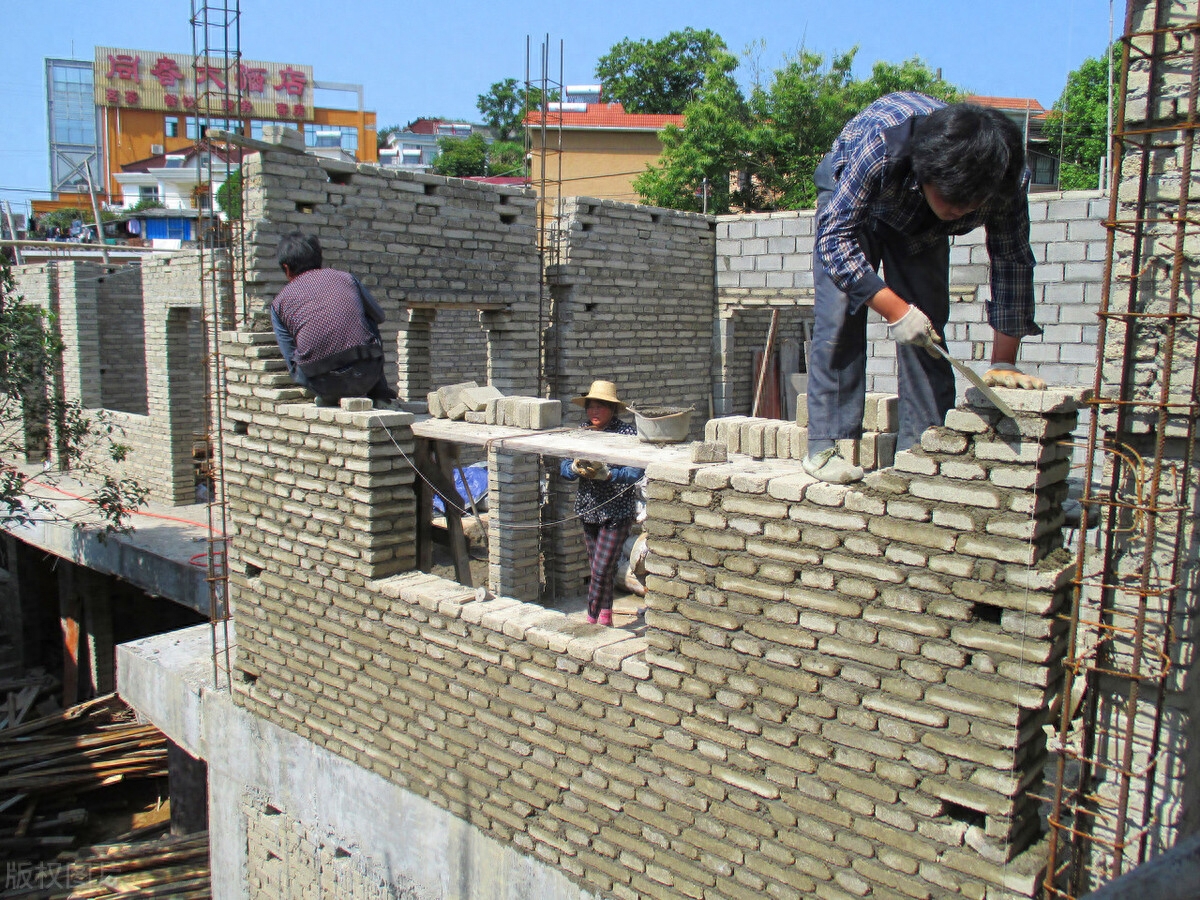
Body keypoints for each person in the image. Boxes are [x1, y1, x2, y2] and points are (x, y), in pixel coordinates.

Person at [804, 93, 1046, 484]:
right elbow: (835, 242)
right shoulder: (882, 144)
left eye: (972, 204)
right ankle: (826, 446)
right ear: (926, 172)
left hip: (919, 227)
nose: (961, 211)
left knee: (927, 329)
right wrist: (896, 310)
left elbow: (1012, 261)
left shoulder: (1008, 179)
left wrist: (1004, 360)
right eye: (952, 200)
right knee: (840, 315)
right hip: (856, 205)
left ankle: (925, 447)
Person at [270, 231, 397, 406]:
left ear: (286, 268)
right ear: (318, 259)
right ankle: (379, 394)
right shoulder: (346, 279)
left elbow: (290, 356)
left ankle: (329, 395)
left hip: (320, 383)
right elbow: (379, 316)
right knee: (368, 318)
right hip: (366, 374)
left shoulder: (279, 303)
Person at [558, 380, 645, 626]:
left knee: (600, 570)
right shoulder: (582, 431)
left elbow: (636, 472)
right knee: (600, 569)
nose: (594, 412)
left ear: (612, 409)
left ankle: (590, 619)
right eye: (590, 407)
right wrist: (574, 468)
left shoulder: (626, 434)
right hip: (589, 509)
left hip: (617, 512)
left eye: (600, 407)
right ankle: (605, 616)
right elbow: (564, 469)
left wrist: (609, 475)